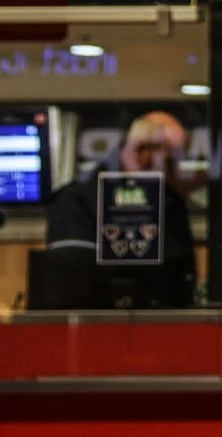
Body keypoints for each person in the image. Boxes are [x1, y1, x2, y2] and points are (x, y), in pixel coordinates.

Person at [36, 110, 197, 308]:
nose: (175, 171)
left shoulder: (171, 202)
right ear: (142, 150)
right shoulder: (76, 200)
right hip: (96, 325)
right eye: (170, 161)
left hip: (162, 323)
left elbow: (183, 276)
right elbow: (70, 283)